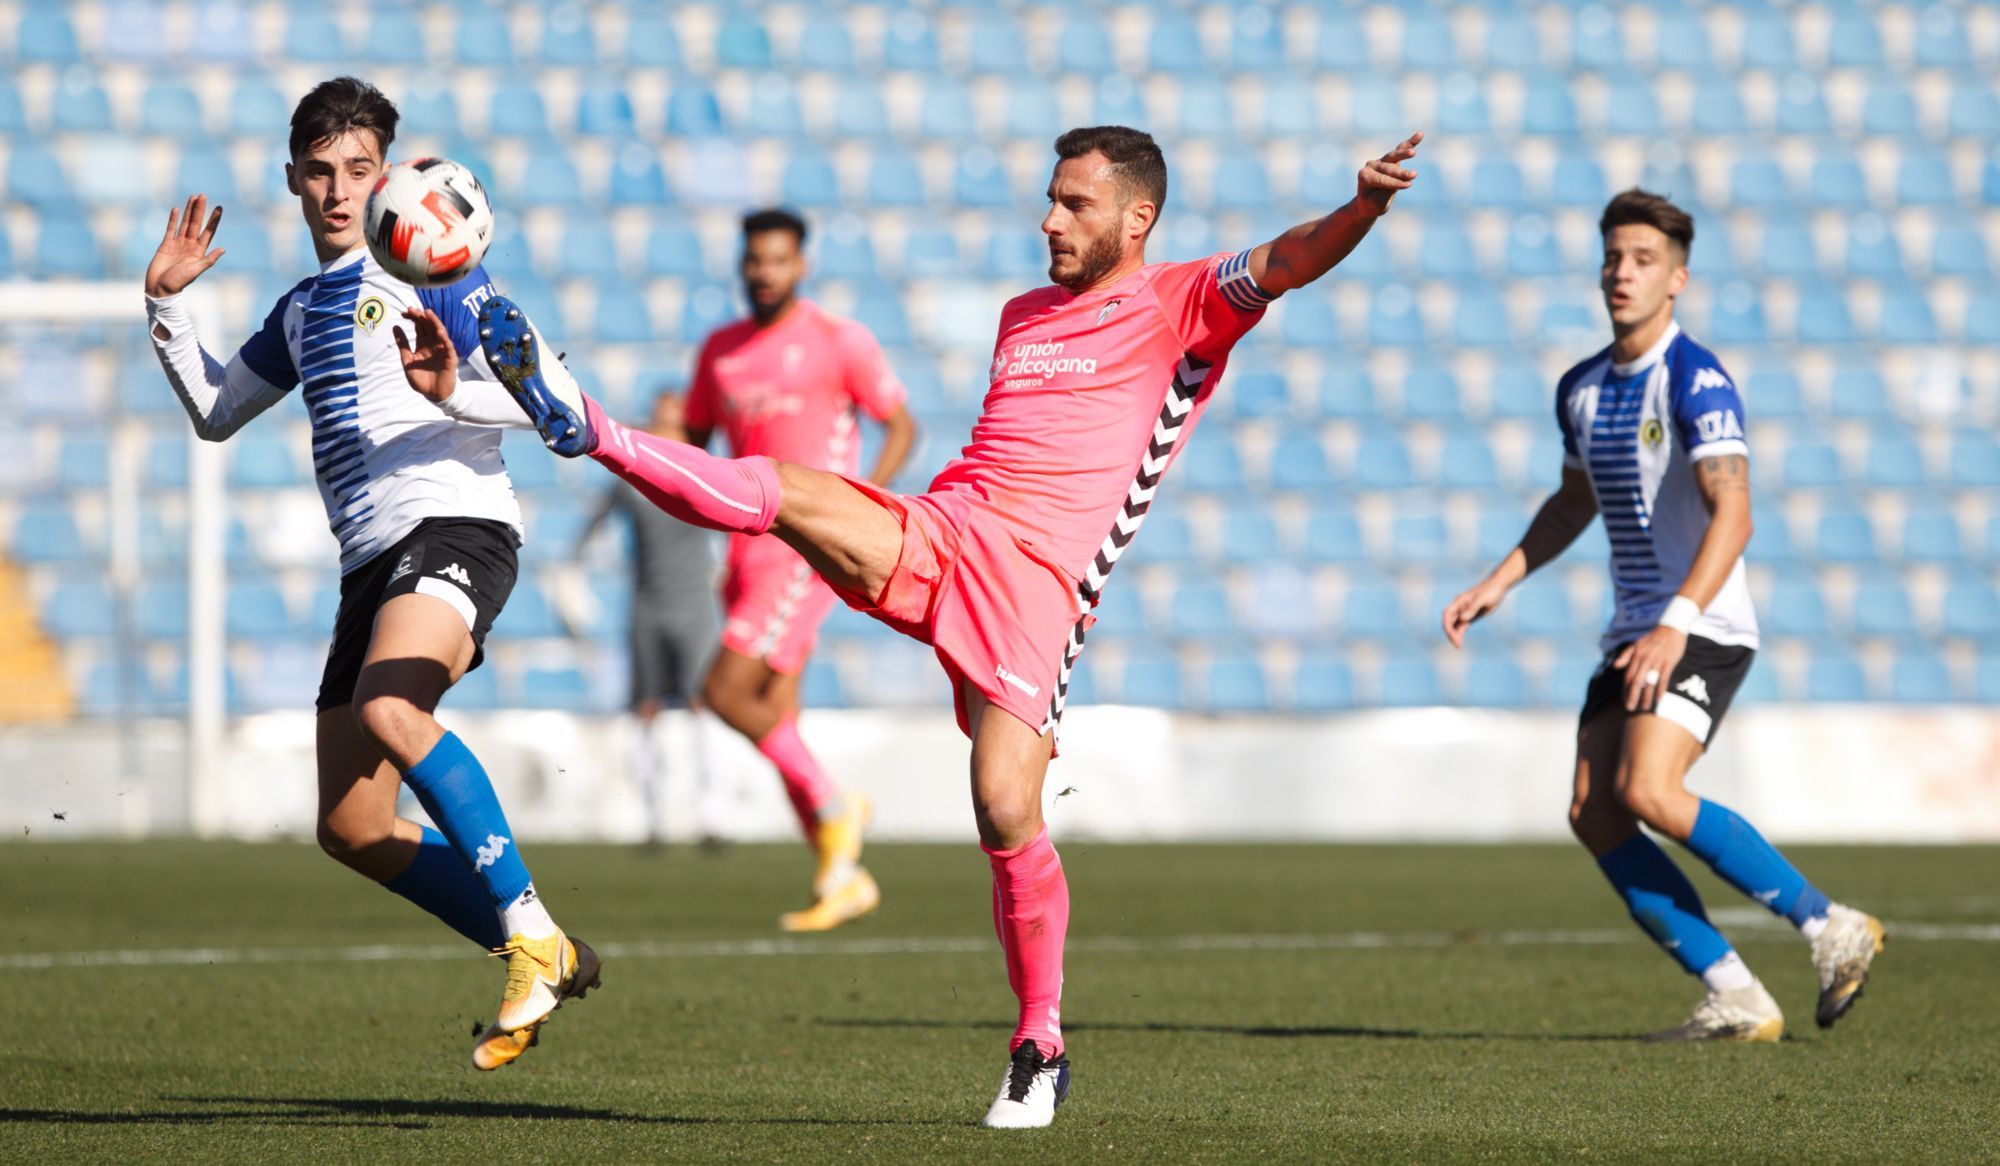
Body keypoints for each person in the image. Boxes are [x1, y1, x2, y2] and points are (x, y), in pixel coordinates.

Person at [470, 124, 1423, 1127]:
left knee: (1004, 806)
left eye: (1075, 205)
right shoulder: (1023, 315)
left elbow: (1288, 258)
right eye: (1050, 199)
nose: (1048, 219)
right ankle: (588, 423)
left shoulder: (1178, 302)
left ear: (1137, 219)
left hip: (1038, 587)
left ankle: (1038, 1040)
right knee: (785, 490)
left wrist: (1358, 207)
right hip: (947, 524)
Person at [141, 76, 597, 1072]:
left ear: (385, 173)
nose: (340, 189)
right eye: (320, 171)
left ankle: (523, 937)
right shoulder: (303, 309)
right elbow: (218, 412)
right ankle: (546, 940)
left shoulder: (439, 272)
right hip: (369, 566)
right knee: (350, 826)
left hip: (457, 527)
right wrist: (165, 309)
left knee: (394, 708)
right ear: (294, 180)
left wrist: (465, 386)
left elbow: (561, 409)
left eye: (358, 169)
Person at [1441, 190, 1885, 1042]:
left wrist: (1680, 617)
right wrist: (1502, 579)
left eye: (1642, 260)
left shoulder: (1696, 379)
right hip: (1638, 629)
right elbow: (1574, 501)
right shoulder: (1581, 388)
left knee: (1647, 788)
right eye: (1613, 257)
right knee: (1594, 811)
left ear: (1676, 279)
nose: (1622, 273)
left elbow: (1736, 511)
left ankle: (1829, 925)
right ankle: (1737, 994)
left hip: (1701, 624)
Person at [682, 208, 919, 931]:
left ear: (801, 265)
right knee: (777, 714)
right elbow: (696, 439)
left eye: (778, 260)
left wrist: (861, 502)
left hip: (800, 543)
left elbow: (900, 422)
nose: (764, 273)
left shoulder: (837, 341)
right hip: (744, 550)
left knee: (724, 692)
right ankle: (840, 875)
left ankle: (835, 808)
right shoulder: (720, 352)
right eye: (755, 260)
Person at [571, 391, 727, 848]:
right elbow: (592, 525)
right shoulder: (632, 478)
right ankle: (652, 818)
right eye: (660, 421)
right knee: (646, 707)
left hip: (697, 604)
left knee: (704, 704)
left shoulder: (706, 469)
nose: (666, 431)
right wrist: (574, 573)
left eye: (675, 422)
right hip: (647, 604)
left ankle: (711, 818)